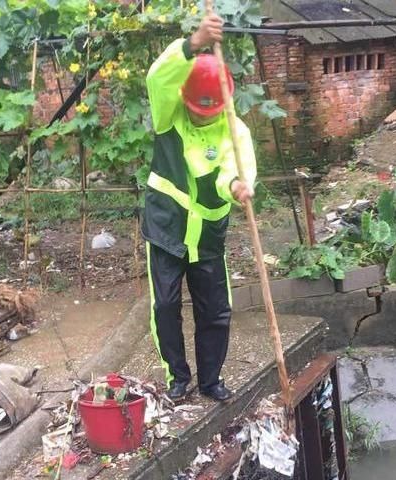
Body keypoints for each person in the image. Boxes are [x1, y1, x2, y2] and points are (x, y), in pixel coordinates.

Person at [142, 13, 257, 402]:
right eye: (195, 107)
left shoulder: (233, 128)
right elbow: (157, 78)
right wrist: (193, 44)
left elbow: (235, 165)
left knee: (215, 310)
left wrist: (238, 186)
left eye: (208, 110)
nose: (199, 114)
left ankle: (210, 380)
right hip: (166, 227)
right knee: (166, 306)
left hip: (208, 234)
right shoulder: (167, 114)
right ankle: (178, 377)